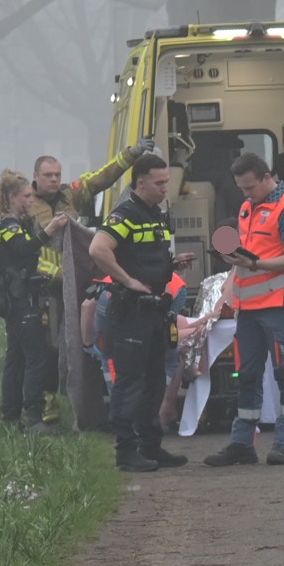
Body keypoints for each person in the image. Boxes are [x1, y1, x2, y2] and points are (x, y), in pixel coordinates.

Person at [24, 137, 156, 421]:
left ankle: (86, 401)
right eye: (48, 175)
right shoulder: (26, 204)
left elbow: (100, 178)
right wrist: (55, 274)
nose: (54, 180)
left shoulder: (70, 195)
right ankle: (48, 404)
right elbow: (26, 253)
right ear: (35, 177)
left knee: (85, 341)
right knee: (49, 346)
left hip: (80, 283)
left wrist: (132, 153)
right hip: (47, 288)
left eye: (57, 174)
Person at [87, 154, 195, 472]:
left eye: (167, 182)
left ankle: (151, 445)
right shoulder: (126, 213)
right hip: (131, 312)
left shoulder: (154, 214)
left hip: (155, 312)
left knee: (153, 382)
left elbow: (144, 256)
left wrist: (171, 265)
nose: (165, 188)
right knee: (130, 382)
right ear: (141, 182)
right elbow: (98, 248)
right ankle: (126, 451)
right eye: (159, 183)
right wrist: (127, 280)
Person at [203, 153, 284, 467]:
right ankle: (242, 443)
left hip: (277, 308)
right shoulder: (248, 208)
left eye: (250, 187)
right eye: (241, 189)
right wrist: (231, 284)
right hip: (248, 309)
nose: (245, 195)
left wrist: (254, 263)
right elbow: (247, 258)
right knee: (247, 376)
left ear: (266, 177)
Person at [0, 170, 61, 431]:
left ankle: (10, 416)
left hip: (18, 297)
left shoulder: (17, 222)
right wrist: (49, 229)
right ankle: (33, 416)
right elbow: (23, 249)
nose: (32, 200)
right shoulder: (7, 225)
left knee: (16, 357)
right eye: (27, 196)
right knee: (36, 356)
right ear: (12, 197)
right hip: (19, 298)